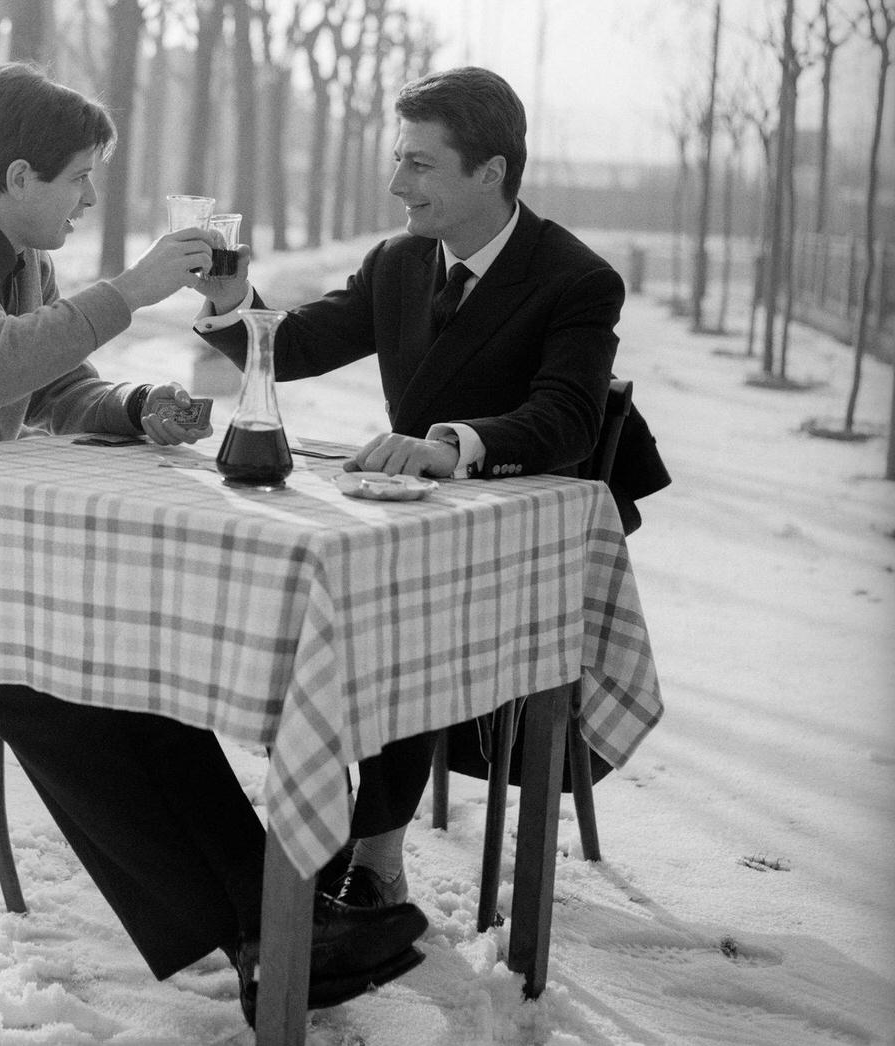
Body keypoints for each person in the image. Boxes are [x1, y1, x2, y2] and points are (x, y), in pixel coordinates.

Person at [0, 62, 428, 1024]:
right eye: (80, 177)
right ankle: (266, 930)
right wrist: (135, 287)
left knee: (120, 663)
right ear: (22, 175)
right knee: (63, 687)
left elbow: (50, 380)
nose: (89, 197)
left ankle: (272, 932)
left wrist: (131, 405)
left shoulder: (17, 257)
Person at [195, 65, 667, 912]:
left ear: (490, 171)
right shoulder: (400, 262)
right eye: (397, 160)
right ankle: (294, 845)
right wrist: (233, 301)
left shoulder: (577, 278)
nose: (395, 184)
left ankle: (374, 862)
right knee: (331, 598)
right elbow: (295, 347)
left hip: (525, 553)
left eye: (418, 164)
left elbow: (567, 420)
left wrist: (454, 445)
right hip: (415, 526)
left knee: (395, 608)